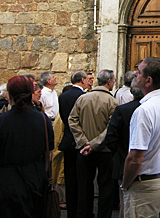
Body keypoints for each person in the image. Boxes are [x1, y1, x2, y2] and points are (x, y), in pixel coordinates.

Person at [122, 57, 160, 218]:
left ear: (148, 80)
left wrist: (126, 184)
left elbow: (135, 158)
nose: (135, 74)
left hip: (147, 186)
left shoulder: (144, 110)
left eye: (139, 72)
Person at [0, 75, 54, 218]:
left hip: (7, 183)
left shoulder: (3, 121)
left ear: (9, 95)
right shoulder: (43, 119)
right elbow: (49, 153)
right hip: (36, 180)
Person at [69, 69, 118, 218]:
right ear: (109, 82)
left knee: (84, 186)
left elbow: (72, 120)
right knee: (106, 186)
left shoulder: (82, 99)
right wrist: (95, 143)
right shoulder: (113, 102)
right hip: (104, 151)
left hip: (84, 150)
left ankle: (84, 214)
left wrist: (83, 142)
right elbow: (111, 127)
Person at [104, 76, 143, 218]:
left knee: (125, 202)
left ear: (131, 91)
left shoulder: (122, 110)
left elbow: (111, 138)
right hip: (150, 165)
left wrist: (117, 153)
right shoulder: (152, 109)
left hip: (123, 160)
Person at [59, 71, 88, 218]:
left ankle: (71, 211)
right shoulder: (83, 97)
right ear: (83, 80)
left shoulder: (63, 96)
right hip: (80, 142)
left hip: (67, 140)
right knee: (82, 179)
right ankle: (81, 210)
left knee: (69, 179)